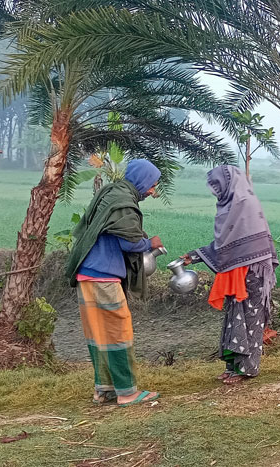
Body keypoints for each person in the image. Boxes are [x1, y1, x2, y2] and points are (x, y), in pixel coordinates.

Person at [65, 158, 163, 407]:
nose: (152, 191)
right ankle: (127, 393)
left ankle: (104, 389)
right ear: (142, 180)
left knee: (99, 334)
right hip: (103, 276)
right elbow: (129, 243)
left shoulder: (110, 192)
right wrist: (149, 243)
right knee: (118, 333)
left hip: (87, 273)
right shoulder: (124, 202)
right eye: (152, 185)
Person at [182, 165, 278, 385]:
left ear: (228, 184)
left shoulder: (245, 204)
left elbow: (243, 242)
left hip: (253, 271)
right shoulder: (228, 205)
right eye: (213, 187)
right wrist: (195, 256)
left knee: (250, 319)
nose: (215, 191)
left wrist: (198, 256)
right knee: (234, 318)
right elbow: (225, 245)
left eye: (217, 186)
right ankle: (233, 366)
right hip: (235, 272)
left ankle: (247, 368)